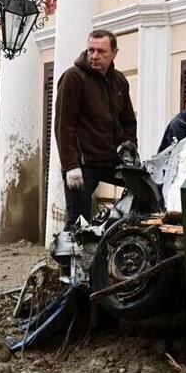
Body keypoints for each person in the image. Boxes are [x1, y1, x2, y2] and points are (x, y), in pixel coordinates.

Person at [55, 29, 138, 227]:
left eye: (101, 51)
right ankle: (69, 257)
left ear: (114, 53)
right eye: (91, 50)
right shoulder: (73, 78)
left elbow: (128, 121)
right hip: (83, 164)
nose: (95, 56)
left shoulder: (119, 81)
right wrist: (71, 166)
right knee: (78, 221)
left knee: (144, 192)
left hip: (112, 160)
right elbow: (64, 126)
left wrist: (130, 147)